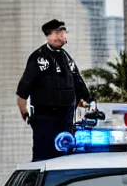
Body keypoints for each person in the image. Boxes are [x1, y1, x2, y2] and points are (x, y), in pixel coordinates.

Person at [16, 19, 91, 161]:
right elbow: (23, 89)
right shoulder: (38, 57)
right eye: (55, 33)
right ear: (48, 36)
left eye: (61, 33)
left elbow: (78, 83)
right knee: (43, 154)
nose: (58, 37)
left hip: (66, 117)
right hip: (44, 117)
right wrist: (24, 111)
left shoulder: (67, 58)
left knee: (65, 154)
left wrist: (87, 102)